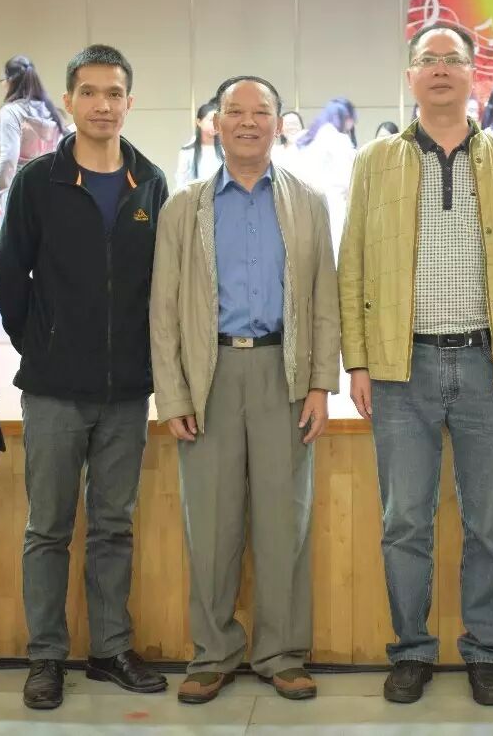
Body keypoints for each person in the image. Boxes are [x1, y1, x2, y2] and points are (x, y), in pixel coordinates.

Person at [339, 23, 493, 707]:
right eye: (427, 60)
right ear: (410, 75)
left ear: (472, 73)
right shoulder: (376, 161)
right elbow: (352, 264)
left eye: (451, 59)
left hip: (491, 364)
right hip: (402, 369)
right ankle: (411, 649)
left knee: (488, 522)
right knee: (405, 520)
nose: (439, 69)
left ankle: (487, 650)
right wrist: (358, 360)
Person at [151, 75, 341, 705]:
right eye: (236, 111)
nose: (249, 122)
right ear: (217, 122)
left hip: (284, 373)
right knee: (210, 525)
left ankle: (282, 653)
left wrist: (321, 384)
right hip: (210, 375)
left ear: (279, 124)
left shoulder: (308, 203)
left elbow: (325, 298)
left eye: (262, 112)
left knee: (285, 523)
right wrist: (173, 395)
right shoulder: (185, 207)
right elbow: (163, 310)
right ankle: (213, 654)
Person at [0, 45, 169, 710]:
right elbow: (11, 276)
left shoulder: (150, 182)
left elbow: (161, 285)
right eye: (89, 92)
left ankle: (110, 649)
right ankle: (46, 656)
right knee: (48, 528)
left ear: (129, 101)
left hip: (127, 391)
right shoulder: (37, 182)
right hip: (54, 389)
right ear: (68, 100)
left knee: (113, 526)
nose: (102, 104)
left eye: (114, 93)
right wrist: (40, 345)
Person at [0, 55, 65, 219]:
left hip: (20, 188)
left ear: (10, 80)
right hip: (51, 191)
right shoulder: (52, 112)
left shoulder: (12, 111)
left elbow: (9, 157)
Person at [298, 97, 357, 250]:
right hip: (335, 204)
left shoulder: (308, 139)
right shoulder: (340, 140)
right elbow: (348, 180)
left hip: (306, 206)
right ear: (345, 117)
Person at [174, 101, 222, 189]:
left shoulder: (225, 149)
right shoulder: (188, 151)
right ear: (199, 122)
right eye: (211, 120)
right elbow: (181, 183)